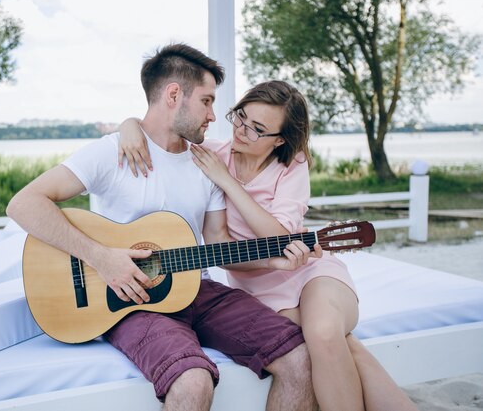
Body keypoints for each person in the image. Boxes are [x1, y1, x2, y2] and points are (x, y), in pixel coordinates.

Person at [7, 44, 318, 411]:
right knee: (192, 381)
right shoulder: (112, 152)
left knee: (299, 356)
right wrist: (102, 257)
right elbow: (23, 204)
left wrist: (272, 260)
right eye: (206, 101)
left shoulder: (205, 163)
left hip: (198, 289)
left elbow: (218, 242)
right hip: (129, 301)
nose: (214, 115)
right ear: (174, 95)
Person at [118, 80, 418, 411]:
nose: (242, 131)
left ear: (280, 140)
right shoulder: (211, 156)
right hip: (257, 287)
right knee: (345, 346)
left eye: (257, 129)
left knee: (323, 333)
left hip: (308, 269)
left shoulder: (292, 164)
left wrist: (227, 182)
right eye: (240, 117)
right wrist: (128, 126)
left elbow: (279, 239)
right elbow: (163, 134)